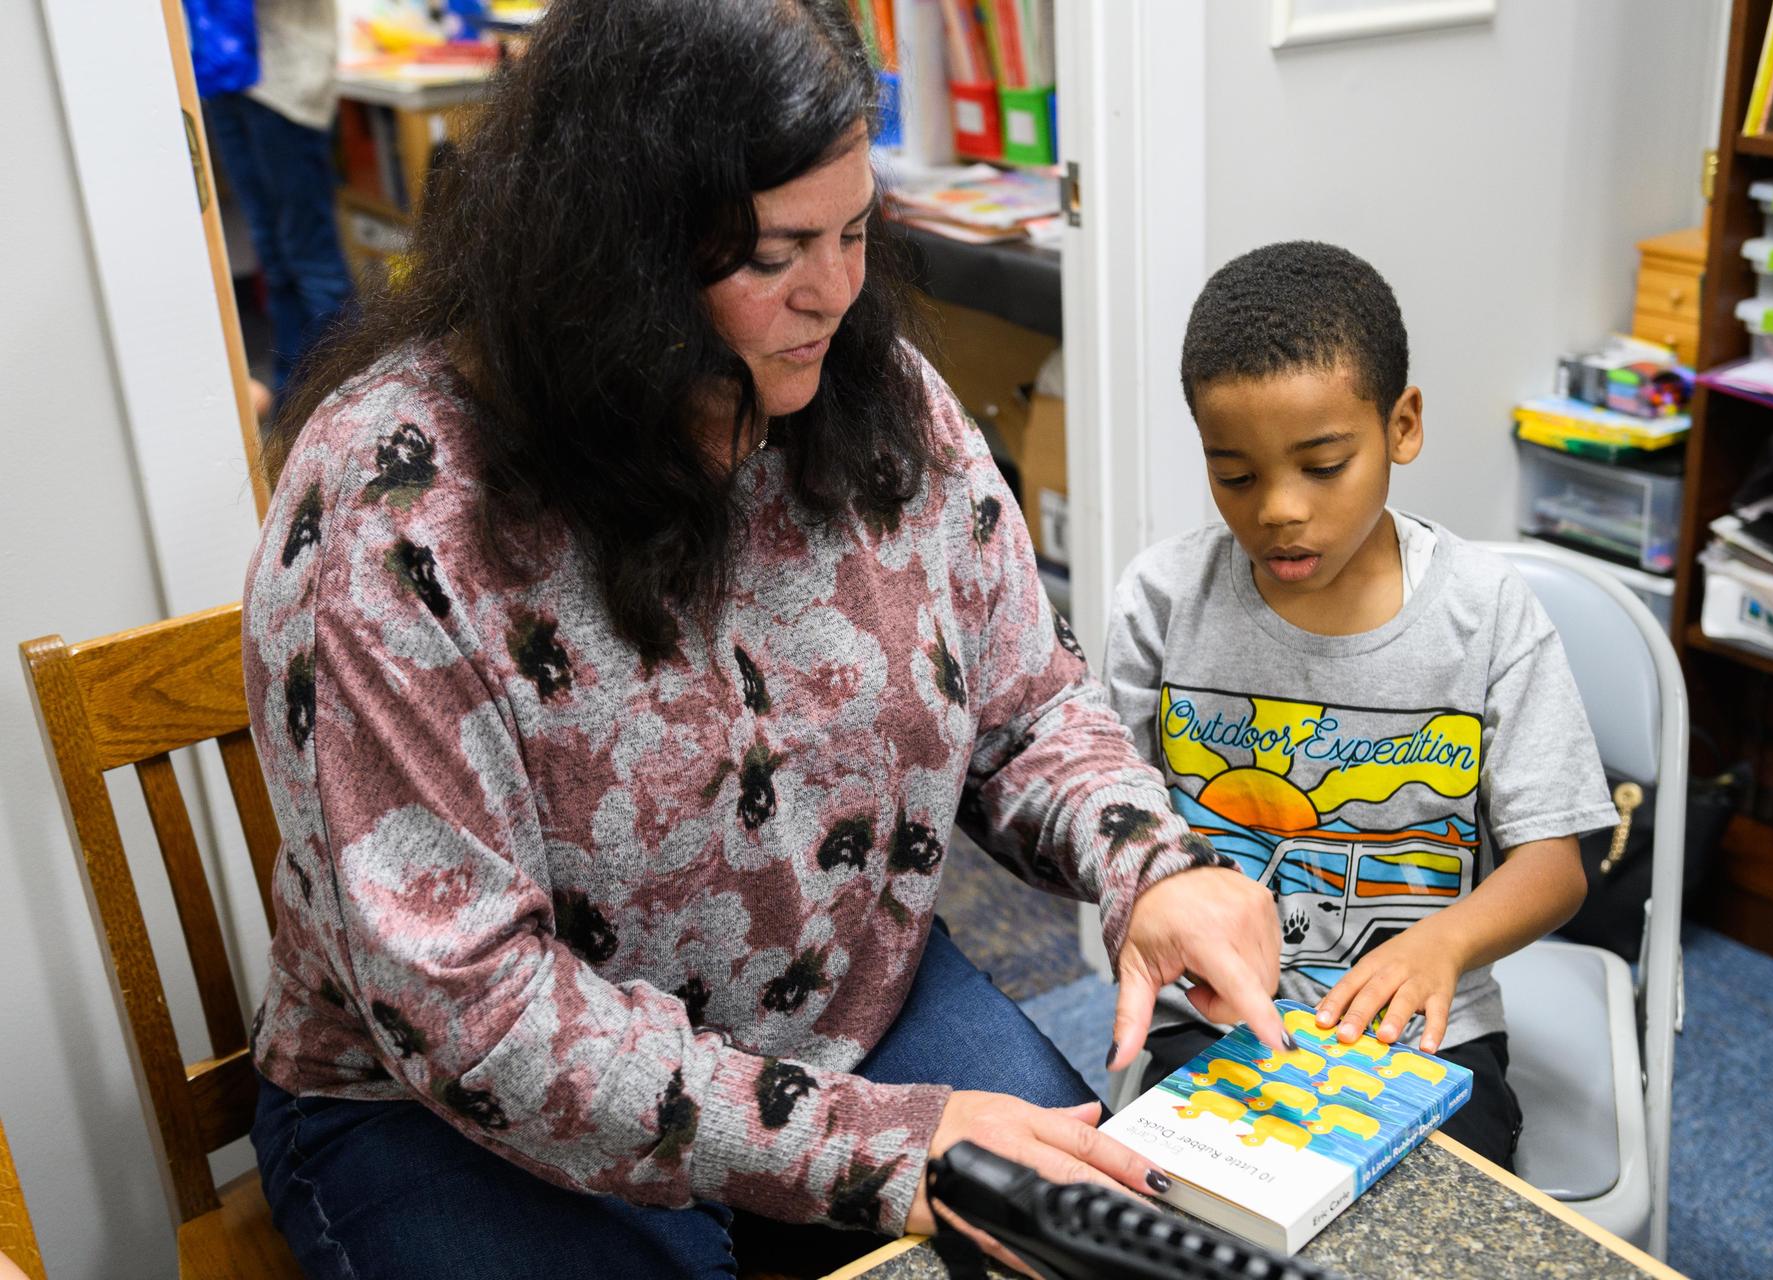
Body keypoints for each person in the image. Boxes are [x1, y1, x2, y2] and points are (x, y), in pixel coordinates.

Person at [240, 3, 1285, 1276]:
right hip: (462, 1115)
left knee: (1072, 1254)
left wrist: (1149, 864)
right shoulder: (391, 514)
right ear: (612, 260)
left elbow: (1027, 700)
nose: (837, 291)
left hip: (840, 1010)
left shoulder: (872, 392)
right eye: (779, 250)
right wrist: (874, 1145)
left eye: (854, 232)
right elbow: (479, 1014)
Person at [1103, 241, 1618, 1170]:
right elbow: (1107, 816)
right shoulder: (1162, 601)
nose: (1280, 512)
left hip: (1427, 1032)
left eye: (1323, 465)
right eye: (1237, 475)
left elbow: (1557, 863)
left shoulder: (1485, 614)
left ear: (1403, 426)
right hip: (1216, 1025)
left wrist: (1445, 945)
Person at [191, 0, 353, 394]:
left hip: (286, 84)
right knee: (275, 258)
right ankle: (292, 399)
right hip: (225, 79)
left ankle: (346, 398)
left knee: (310, 258)